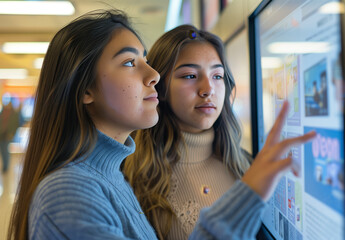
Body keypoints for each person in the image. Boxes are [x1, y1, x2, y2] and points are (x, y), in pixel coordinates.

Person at [7, 11, 314, 240]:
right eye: (130, 62)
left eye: (218, 75)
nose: (153, 74)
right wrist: (248, 194)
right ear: (85, 89)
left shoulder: (110, 176)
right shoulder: (69, 190)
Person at [123, 25, 315, 240]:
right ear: (161, 89)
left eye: (217, 76)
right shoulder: (131, 177)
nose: (208, 89)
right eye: (189, 76)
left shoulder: (245, 164)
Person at [0, 99, 19, 173]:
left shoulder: (14, 114)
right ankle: (4, 165)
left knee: (6, 150)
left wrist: (12, 133)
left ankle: (6, 166)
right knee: (2, 150)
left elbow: (16, 124)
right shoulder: (2, 113)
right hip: (1, 134)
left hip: (8, 134)